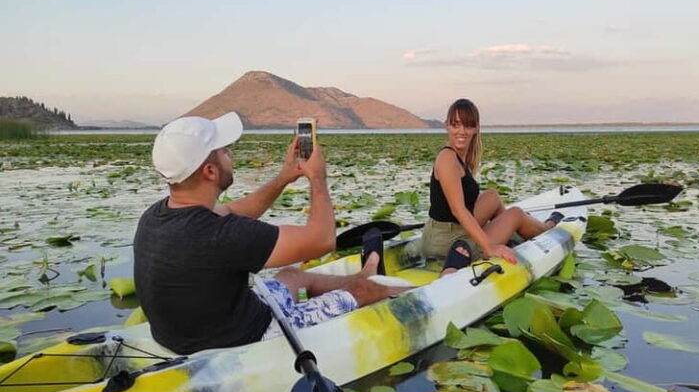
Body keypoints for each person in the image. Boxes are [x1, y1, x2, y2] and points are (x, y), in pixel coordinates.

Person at [133, 112, 402, 355]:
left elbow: (238, 211)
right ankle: (368, 285)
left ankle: (360, 275)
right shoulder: (221, 235)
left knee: (292, 275)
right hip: (249, 336)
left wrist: (285, 176)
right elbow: (322, 240)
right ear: (210, 171)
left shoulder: (157, 215)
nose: (231, 155)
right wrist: (317, 179)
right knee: (367, 291)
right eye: (225, 151)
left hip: (189, 334)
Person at [422, 98, 563, 275]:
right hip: (445, 242)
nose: (462, 131)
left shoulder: (459, 157)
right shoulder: (447, 159)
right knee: (515, 214)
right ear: (447, 126)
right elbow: (458, 210)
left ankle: (510, 234)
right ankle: (544, 229)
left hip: (447, 231)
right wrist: (489, 247)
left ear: (476, 128)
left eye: (468, 125)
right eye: (456, 124)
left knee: (492, 196)